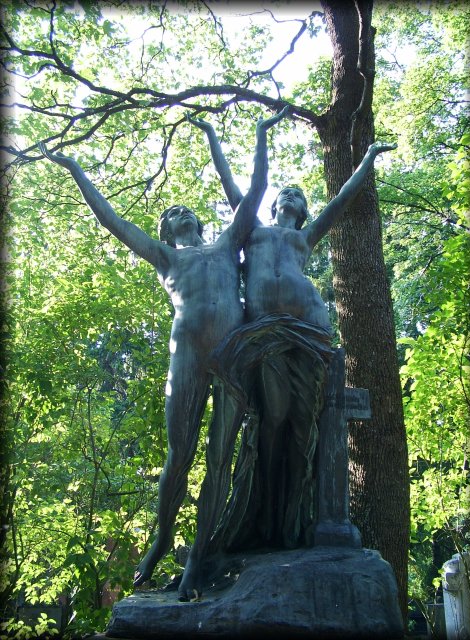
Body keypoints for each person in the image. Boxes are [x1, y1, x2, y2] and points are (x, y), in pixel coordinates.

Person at [38, 106, 289, 601]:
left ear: (197, 219)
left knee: (218, 459)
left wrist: (252, 134)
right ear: (163, 228)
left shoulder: (225, 245)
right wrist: (75, 169)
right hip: (188, 354)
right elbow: (111, 220)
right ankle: (159, 540)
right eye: (168, 211)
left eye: (184, 209)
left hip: (235, 354)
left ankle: (197, 560)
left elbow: (255, 191)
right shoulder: (166, 257)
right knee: (180, 456)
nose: (178, 212)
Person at [191, 115, 396, 550]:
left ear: (302, 213)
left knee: (306, 426)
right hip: (265, 332)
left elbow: (341, 201)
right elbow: (232, 182)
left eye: (297, 195)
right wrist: (211, 136)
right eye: (286, 192)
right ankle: (263, 514)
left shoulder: (305, 240)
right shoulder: (254, 231)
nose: (290, 195)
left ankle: (294, 519)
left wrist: (368, 160)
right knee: (275, 416)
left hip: (311, 331)